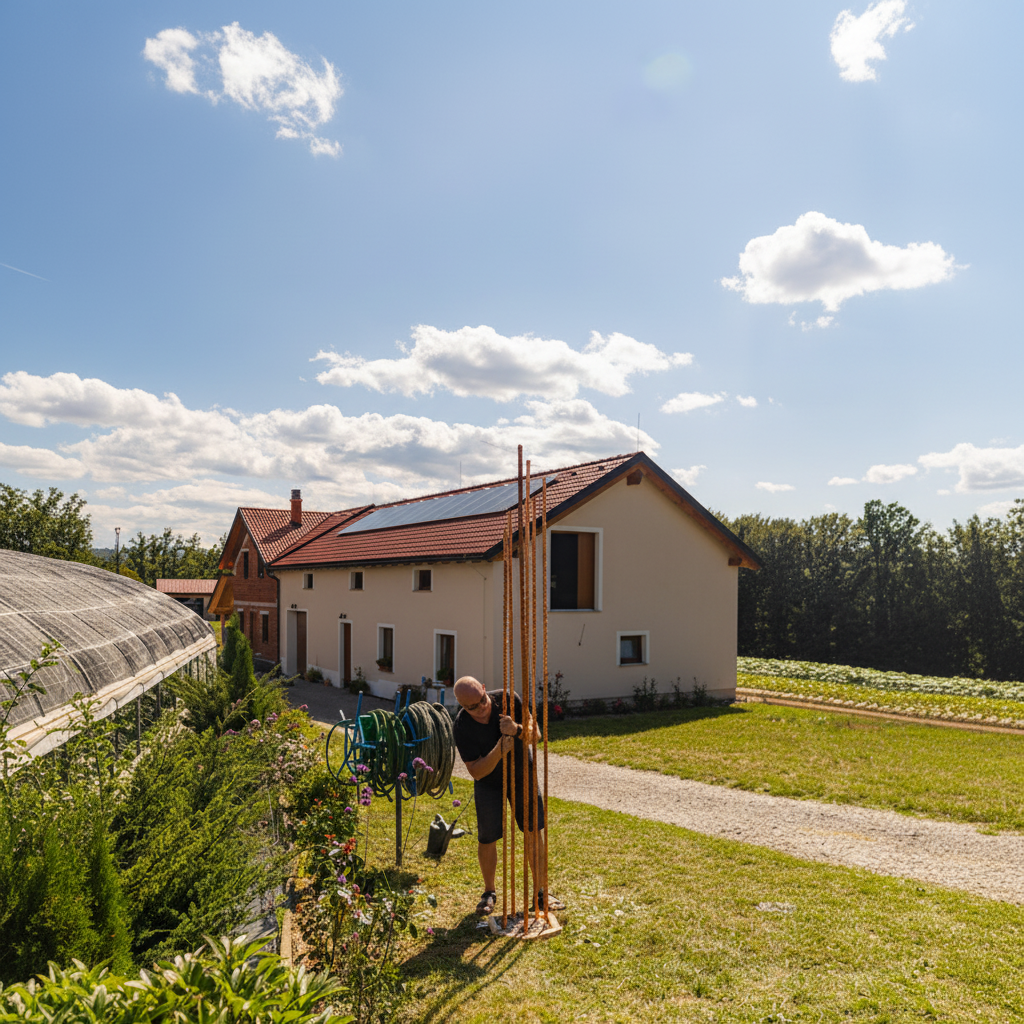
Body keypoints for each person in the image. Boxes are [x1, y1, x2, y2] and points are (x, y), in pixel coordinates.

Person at [452, 675, 562, 917]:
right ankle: (489, 892)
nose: (479, 709)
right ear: (462, 706)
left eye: (481, 702)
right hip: (489, 783)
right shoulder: (462, 726)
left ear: (483, 689)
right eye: (470, 707)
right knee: (488, 836)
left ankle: (542, 892)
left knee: (533, 829)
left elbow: (536, 736)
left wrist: (517, 729)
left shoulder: (509, 700)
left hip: (523, 773)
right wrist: (499, 751)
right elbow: (476, 771)